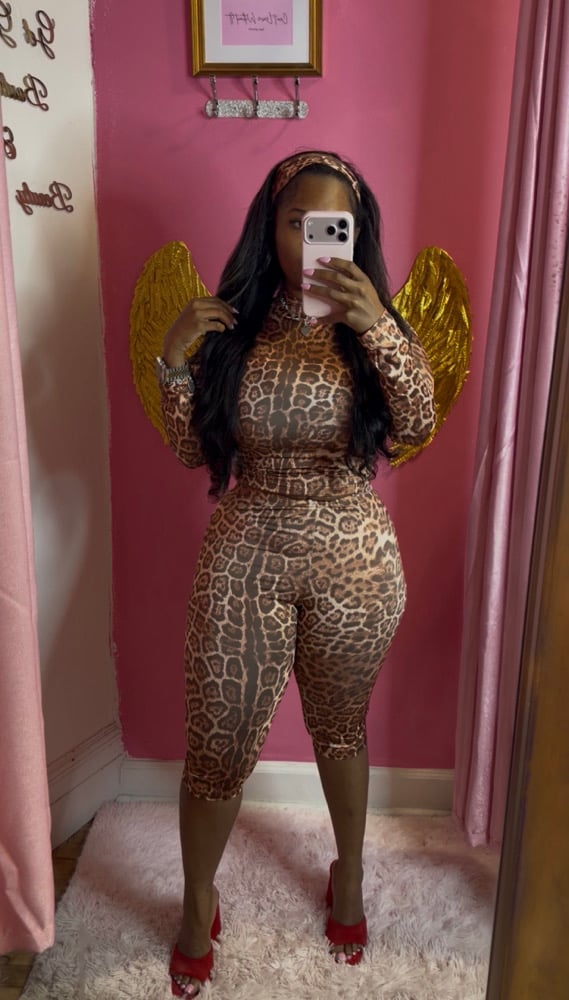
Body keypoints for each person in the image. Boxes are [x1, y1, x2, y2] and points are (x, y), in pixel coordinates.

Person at [157, 150, 436, 997]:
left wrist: (377, 326)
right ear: (268, 227)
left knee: (340, 729)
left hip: (352, 555)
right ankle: (196, 903)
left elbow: (417, 422)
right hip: (246, 547)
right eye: (296, 222)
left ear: (355, 231)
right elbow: (190, 450)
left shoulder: (371, 322)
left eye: (332, 225)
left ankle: (348, 875)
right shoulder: (233, 321)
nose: (313, 240)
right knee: (215, 745)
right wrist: (174, 362)